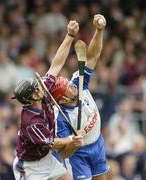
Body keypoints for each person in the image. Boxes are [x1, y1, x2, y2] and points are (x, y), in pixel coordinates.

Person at [12, 20, 84, 180]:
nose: (41, 86)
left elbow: (56, 64)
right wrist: (71, 139)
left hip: (46, 159)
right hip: (30, 167)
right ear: (33, 97)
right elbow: (52, 143)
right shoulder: (30, 121)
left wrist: (70, 35)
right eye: (37, 88)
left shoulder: (42, 91)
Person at [51, 14, 110, 180]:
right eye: (67, 87)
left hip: (97, 143)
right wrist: (72, 143)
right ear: (62, 99)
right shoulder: (60, 117)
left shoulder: (79, 82)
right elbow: (63, 152)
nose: (72, 85)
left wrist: (99, 31)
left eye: (69, 82)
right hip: (79, 155)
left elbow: (92, 57)